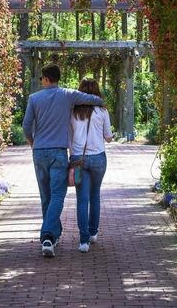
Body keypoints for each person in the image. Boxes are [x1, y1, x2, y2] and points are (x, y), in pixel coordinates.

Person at [22, 64, 104, 258]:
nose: (41, 81)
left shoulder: (34, 98)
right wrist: (99, 100)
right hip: (59, 153)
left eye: (42, 78)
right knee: (58, 196)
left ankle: (51, 236)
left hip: (39, 152)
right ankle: (49, 236)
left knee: (46, 197)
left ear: (46, 79)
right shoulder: (68, 94)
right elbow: (93, 99)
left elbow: (26, 125)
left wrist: (32, 143)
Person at [69, 78, 113, 253]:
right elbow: (108, 138)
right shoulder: (102, 111)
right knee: (95, 195)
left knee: (82, 199)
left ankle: (83, 241)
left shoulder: (72, 111)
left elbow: (68, 137)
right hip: (98, 158)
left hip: (78, 158)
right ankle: (93, 232)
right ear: (97, 92)